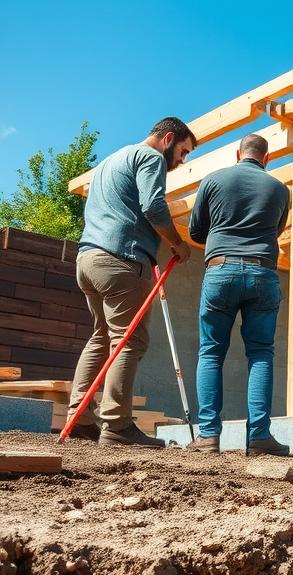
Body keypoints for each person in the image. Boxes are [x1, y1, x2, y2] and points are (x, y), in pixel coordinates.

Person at [67, 118, 195, 447]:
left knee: (101, 338)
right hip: (121, 260)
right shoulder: (150, 158)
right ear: (168, 138)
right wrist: (177, 243)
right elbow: (152, 206)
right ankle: (116, 425)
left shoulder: (112, 160)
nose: (182, 161)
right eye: (183, 152)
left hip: (88, 259)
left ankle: (79, 419)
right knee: (129, 340)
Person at [186, 133, 290, 456]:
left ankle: (208, 436)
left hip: (220, 271)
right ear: (267, 158)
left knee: (211, 352)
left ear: (237, 153)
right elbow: (276, 230)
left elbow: (195, 231)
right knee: (260, 353)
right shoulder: (280, 190)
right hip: (263, 273)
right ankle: (259, 436)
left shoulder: (213, 181)